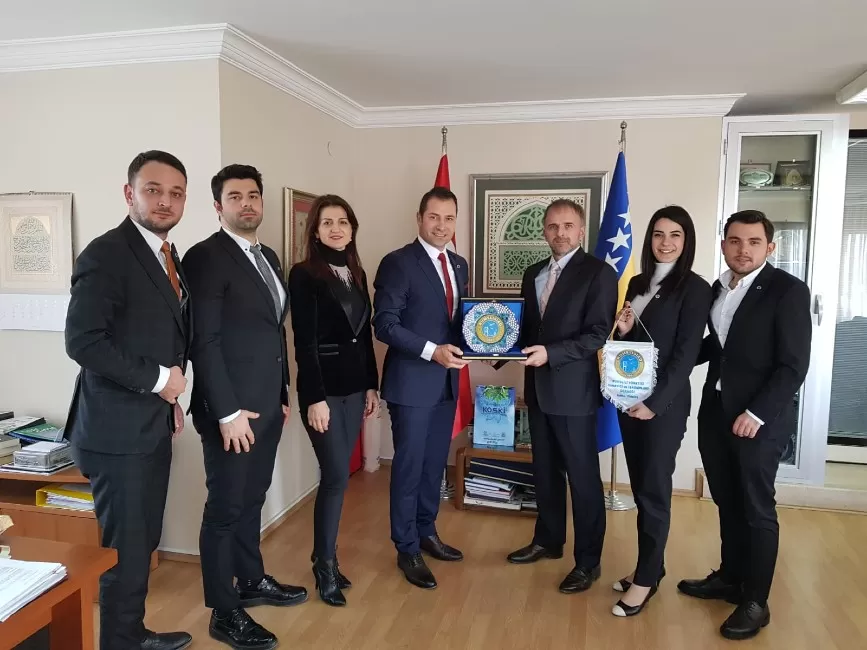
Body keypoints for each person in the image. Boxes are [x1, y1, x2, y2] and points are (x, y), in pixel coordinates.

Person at [65, 150, 193, 650]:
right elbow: (84, 342)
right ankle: (120, 642)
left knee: (141, 543)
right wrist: (161, 381)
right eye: (153, 190)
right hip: (115, 433)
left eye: (176, 193)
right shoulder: (107, 254)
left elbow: (159, 335)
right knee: (126, 550)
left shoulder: (166, 254)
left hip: (149, 423)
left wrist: (170, 401)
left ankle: (130, 633)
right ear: (129, 194)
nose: (165, 201)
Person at [182, 164, 306, 650]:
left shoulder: (267, 255)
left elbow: (274, 331)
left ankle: (251, 580)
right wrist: (227, 412)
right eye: (235, 197)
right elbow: (204, 341)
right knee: (225, 508)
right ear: (218, 206)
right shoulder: (205, 257)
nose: (246, 204)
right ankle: (223, 610)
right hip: (230, 413)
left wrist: (282, 392)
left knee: (253, 498)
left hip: (267, 405)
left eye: (253, 195)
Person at [678, 209, 812, 641]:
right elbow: (718, 347)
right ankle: (731, 577)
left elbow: (793, 366)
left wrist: (756, 414)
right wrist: (663, 359)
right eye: (735, 241)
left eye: (754, 242)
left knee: (756, 507)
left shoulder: (787, 290)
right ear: (724, 245)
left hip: (759, 418)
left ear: (769, 247)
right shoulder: (719, 288)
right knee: (727, 499)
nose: (743, 249)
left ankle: (756, 601)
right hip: (716, 412)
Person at [503, 199, 617, 594]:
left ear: (581, 230)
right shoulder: (533, 272)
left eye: (568, 226)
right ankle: (548, 541)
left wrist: (551, 354)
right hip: (538, 391)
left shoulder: (598, 273)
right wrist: (491, 348)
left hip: (574, 395)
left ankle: (588, 562)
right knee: (545, 472)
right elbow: (527, 329)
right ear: (544, 231)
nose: (560, 233)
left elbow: (597, 334)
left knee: (583, 481)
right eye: (553, 226)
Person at [609, 206, 712, 617]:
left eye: (675, 235)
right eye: (658, 234)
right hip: (629, 398)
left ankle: (646, 580)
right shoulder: (638, 282)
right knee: (642, 488)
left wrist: (654, 403)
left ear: (687, 241)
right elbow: (639, 344)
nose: (665, 243)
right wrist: (625, 329)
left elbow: (685, 355)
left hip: (662, 406)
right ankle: (650, 567)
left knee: (653, 493)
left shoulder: (695, 288)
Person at [372, 186, 470, 590]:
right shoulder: (398, 263)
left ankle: (427, 531)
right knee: (410, 468)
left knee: (433, 466)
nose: (441, 226)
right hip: (411, 383)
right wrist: (433, 352)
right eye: (434, 217)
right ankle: (406, 546)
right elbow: (385, 324)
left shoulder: (459, 264)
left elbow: (460, 323)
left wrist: (490, 346)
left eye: (449, 218)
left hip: (447, 383)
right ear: (419, 218)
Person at [287, 194, 381, 606]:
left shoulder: (357, 272)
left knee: (338, 476)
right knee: (336, 476)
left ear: (352, 228)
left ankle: (326, 556)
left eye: (342, 221)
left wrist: (372, 385)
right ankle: (324, 564)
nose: (336, 229)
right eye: (327, 222)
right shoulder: (304, 274)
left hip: (355, 389)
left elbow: (365, 337)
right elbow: (304, 343)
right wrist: (314, 398)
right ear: (315, 231)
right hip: (324, 393)